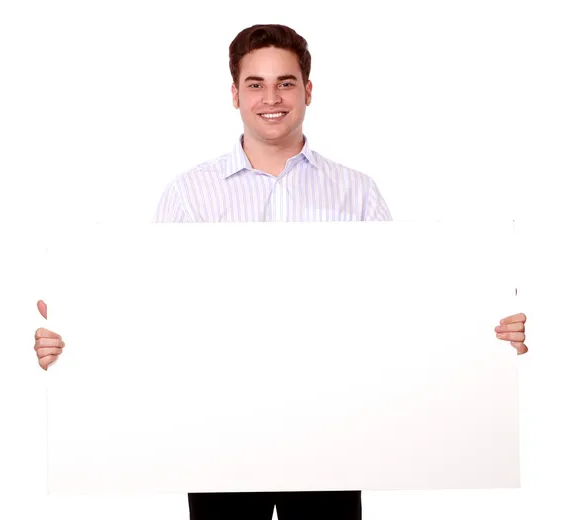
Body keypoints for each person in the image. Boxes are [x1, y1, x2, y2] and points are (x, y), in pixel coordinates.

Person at [33, 23, 529, 520]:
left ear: (308, 90)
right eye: (256, 84)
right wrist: (78, 338)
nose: (272, 97)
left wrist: (483, 336)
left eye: (286, 82)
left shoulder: (355, 192)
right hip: (216, 436)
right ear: (235, 94)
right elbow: (155, 313)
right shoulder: (188, 194)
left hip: (334, 434)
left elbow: (398, 311)